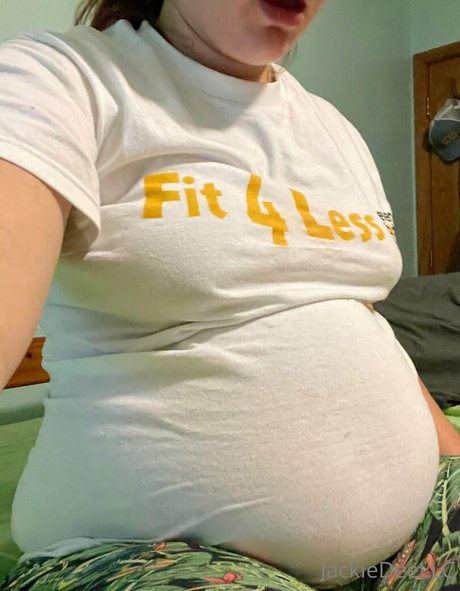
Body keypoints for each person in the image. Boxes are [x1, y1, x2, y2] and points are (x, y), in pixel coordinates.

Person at [0, 1, 459, 590]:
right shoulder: (58, 81)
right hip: (146, 556)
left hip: (405, 550)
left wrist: (450, 458)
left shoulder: (331, 127)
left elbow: (356, 314)